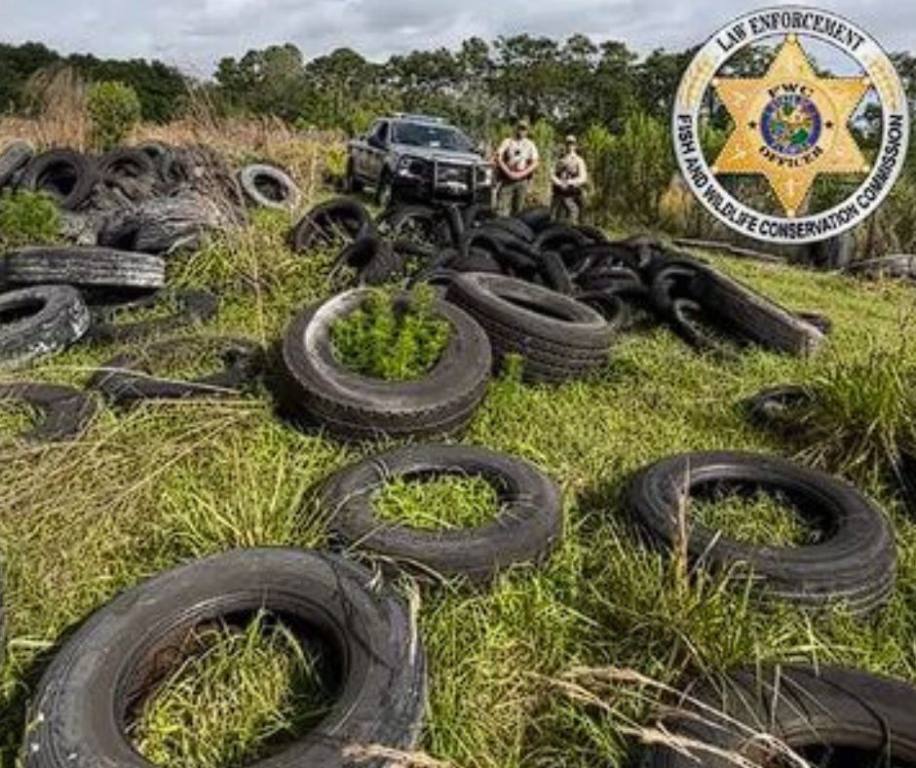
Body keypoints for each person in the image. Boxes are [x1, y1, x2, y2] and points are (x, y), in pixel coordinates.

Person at [495, 120, 539, 216]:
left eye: (524, 129)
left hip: (522, 180)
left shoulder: (530, 144)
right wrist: (507, 172)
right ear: (516, 129)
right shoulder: (508, 141)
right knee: (501, 209)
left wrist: (522, 174)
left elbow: (535, 163)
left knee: (519, 211)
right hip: (507, 179)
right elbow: (498, 157)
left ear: (527, 131)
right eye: (520, 128)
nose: (522, 131)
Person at [550, 135, 588, 224]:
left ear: (575, 145)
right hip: (559, 193)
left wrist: (569, 182)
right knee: (554, 218)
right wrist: (559, 183)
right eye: (568, 144)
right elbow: (551, 174)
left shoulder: (579, 160)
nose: (570, 146)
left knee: (574, 217)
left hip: (572, 193)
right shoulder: (559, 160)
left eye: (572, 144)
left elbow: (583, 177)